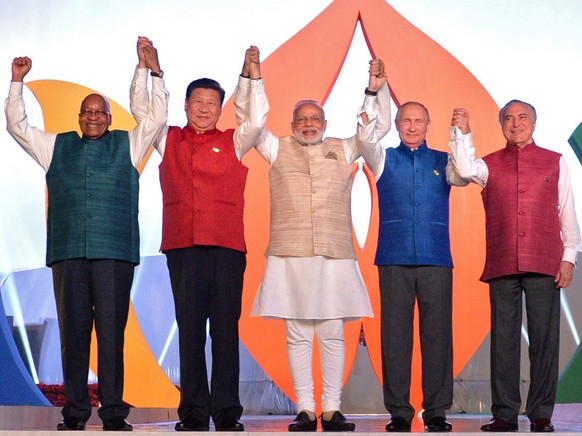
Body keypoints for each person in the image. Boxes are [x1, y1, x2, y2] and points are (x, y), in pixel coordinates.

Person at [5, 38, 168, 431]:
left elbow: (157, 118)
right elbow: (17, 126)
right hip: (68, 255)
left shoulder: (128, 144)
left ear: (110, 119)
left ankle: (114, 413)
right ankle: (75, 413)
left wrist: (149, 71)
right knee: (73, 337)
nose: (93, 117)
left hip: (113, 253)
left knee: (111, 336)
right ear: (79, 117)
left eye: (101, 112)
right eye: (87, 112)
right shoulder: (54, 146)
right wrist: (16, 84)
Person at [130, 42, 267, 432]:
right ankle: (192, 411)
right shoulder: (167, 137)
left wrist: (251, 75)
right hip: (184, 247)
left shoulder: (235, 140)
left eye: (211, 103)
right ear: (185, 104)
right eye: (197, 102)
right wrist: (151, 72)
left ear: (221, 108)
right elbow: (145, 112)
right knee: (189, 330)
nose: (204, 109)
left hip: (226, 248)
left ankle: (226, 412)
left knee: (225, 331)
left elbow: (255, 122)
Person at [250, 59, 391, 432]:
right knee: (297, 334)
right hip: (289, 253)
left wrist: (374, 90)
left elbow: (376, 128)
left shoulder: (344, 148)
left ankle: (330, 409)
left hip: (333, 253)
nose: (309, 124)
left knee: (330, 332)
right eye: (302, 120)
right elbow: (251, 125)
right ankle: (305, 409)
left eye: (315, 119)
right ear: (293, 125)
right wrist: (254, 79)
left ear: (324, 124)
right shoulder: (275, 147)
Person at [448, 102, 581, 432]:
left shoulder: (555, 161)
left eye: (522, 117)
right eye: (508, 118)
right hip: (503, 262)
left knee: (544, 342)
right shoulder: (489, 164)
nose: (515, 123)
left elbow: (568, 216)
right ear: (501, 125)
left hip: (544, 262)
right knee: (504, 343)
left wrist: (568, 258)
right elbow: (463, 171)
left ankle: (540, 414)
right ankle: (504, 414)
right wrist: (461, 133)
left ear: (534, 124)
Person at [357, 99, 470, 432]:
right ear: (395, 123)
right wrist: (372, 94)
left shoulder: (443, 160)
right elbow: (366, 141)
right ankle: (399, 412)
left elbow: (464, 175)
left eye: (418, 121)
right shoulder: (383, 158)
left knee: (437, 337)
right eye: (405, 120)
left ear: (428, 125)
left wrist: (460, 134)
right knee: (394, 338)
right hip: (393, 257)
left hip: (436, 257)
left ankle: (436, 411)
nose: (412, 126)